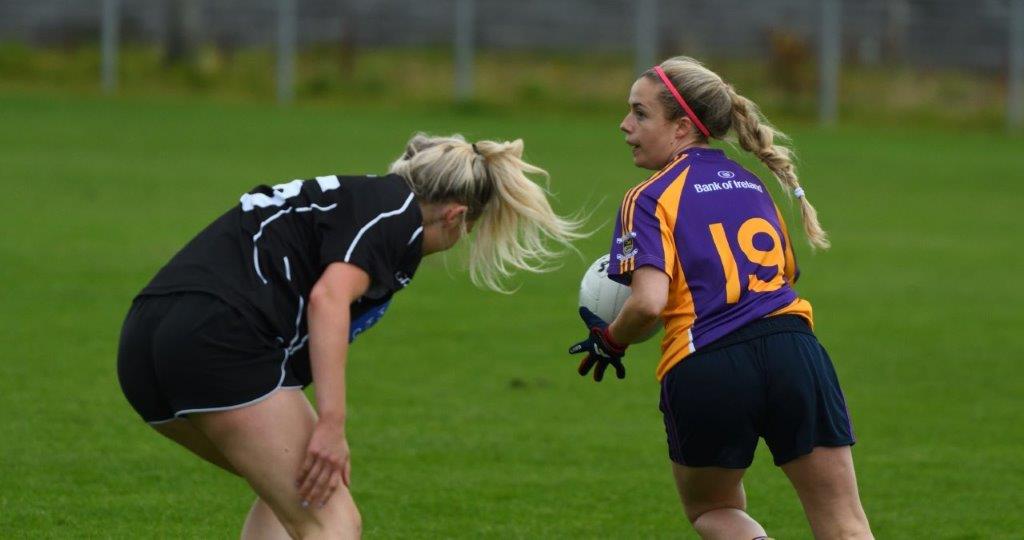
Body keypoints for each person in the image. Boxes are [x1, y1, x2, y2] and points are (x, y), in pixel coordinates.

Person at [118, 133, 583, 539]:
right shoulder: (395, 216)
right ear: (456, 215)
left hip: (145, 339)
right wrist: (330, 424)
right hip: (218, 339)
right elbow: (329, 299)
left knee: (307, 489)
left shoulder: (359, 200)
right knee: (333, 520)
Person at [568, 56, 872, 539]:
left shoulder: (646, 196)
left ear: (684, 127)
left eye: (640, 113)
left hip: (707, 361)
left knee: (712, 509)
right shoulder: (753, 184)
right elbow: (787, 272)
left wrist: (611, 340)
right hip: (795, 351)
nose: (625, 125)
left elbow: (648, 304)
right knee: (843, 521)